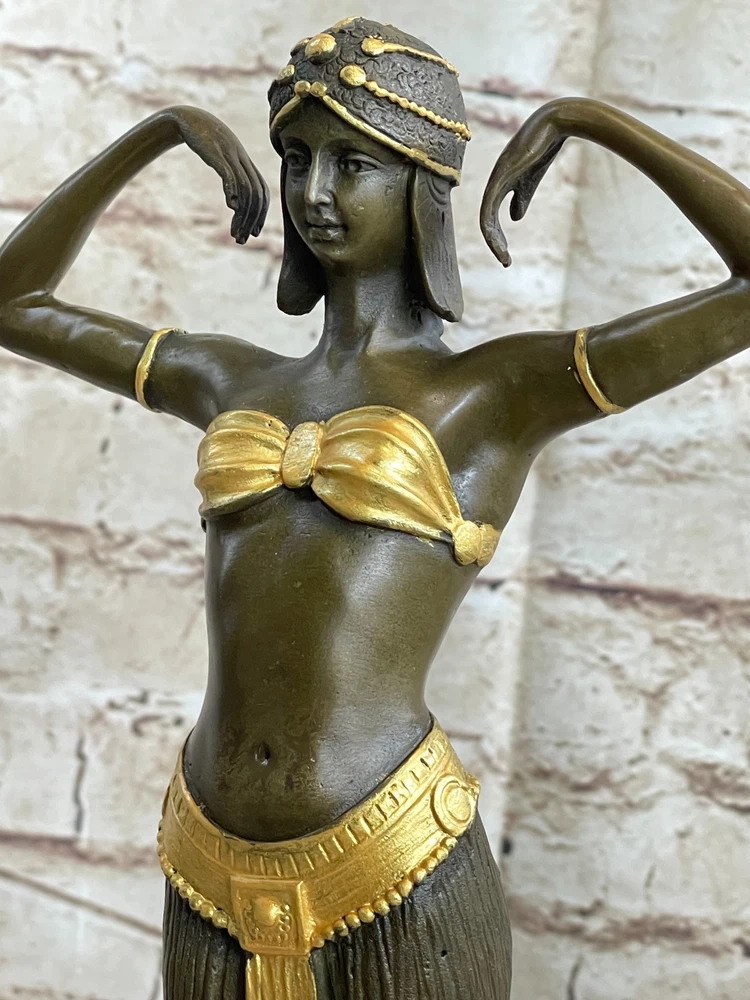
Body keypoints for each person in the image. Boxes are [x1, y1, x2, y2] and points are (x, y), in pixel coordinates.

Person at [2, 14, 750, 1000]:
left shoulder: (496, 395)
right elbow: (13, 303)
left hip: (396, 867)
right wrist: (160, 131)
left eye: (353, 163)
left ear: (422, 185)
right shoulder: (228, 378)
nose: (314, 192)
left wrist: (594, 121)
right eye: (296, 158)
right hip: (205, 861)